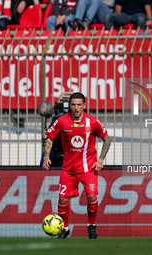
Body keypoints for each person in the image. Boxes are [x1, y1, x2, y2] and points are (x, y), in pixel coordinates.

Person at [42, 92, 111, 239]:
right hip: (68, 169)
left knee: (92, 196)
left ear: (84, 106)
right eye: (73, 104)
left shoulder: (92, 122)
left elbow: (107, 139)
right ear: (70, 106)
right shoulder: (62, 121)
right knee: (62, 200)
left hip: (88, 168)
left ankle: (91, 226)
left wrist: (101, 159)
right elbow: (49, 138)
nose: (76, 108)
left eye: (79, 104)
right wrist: (46, 156)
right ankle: (65, 228)